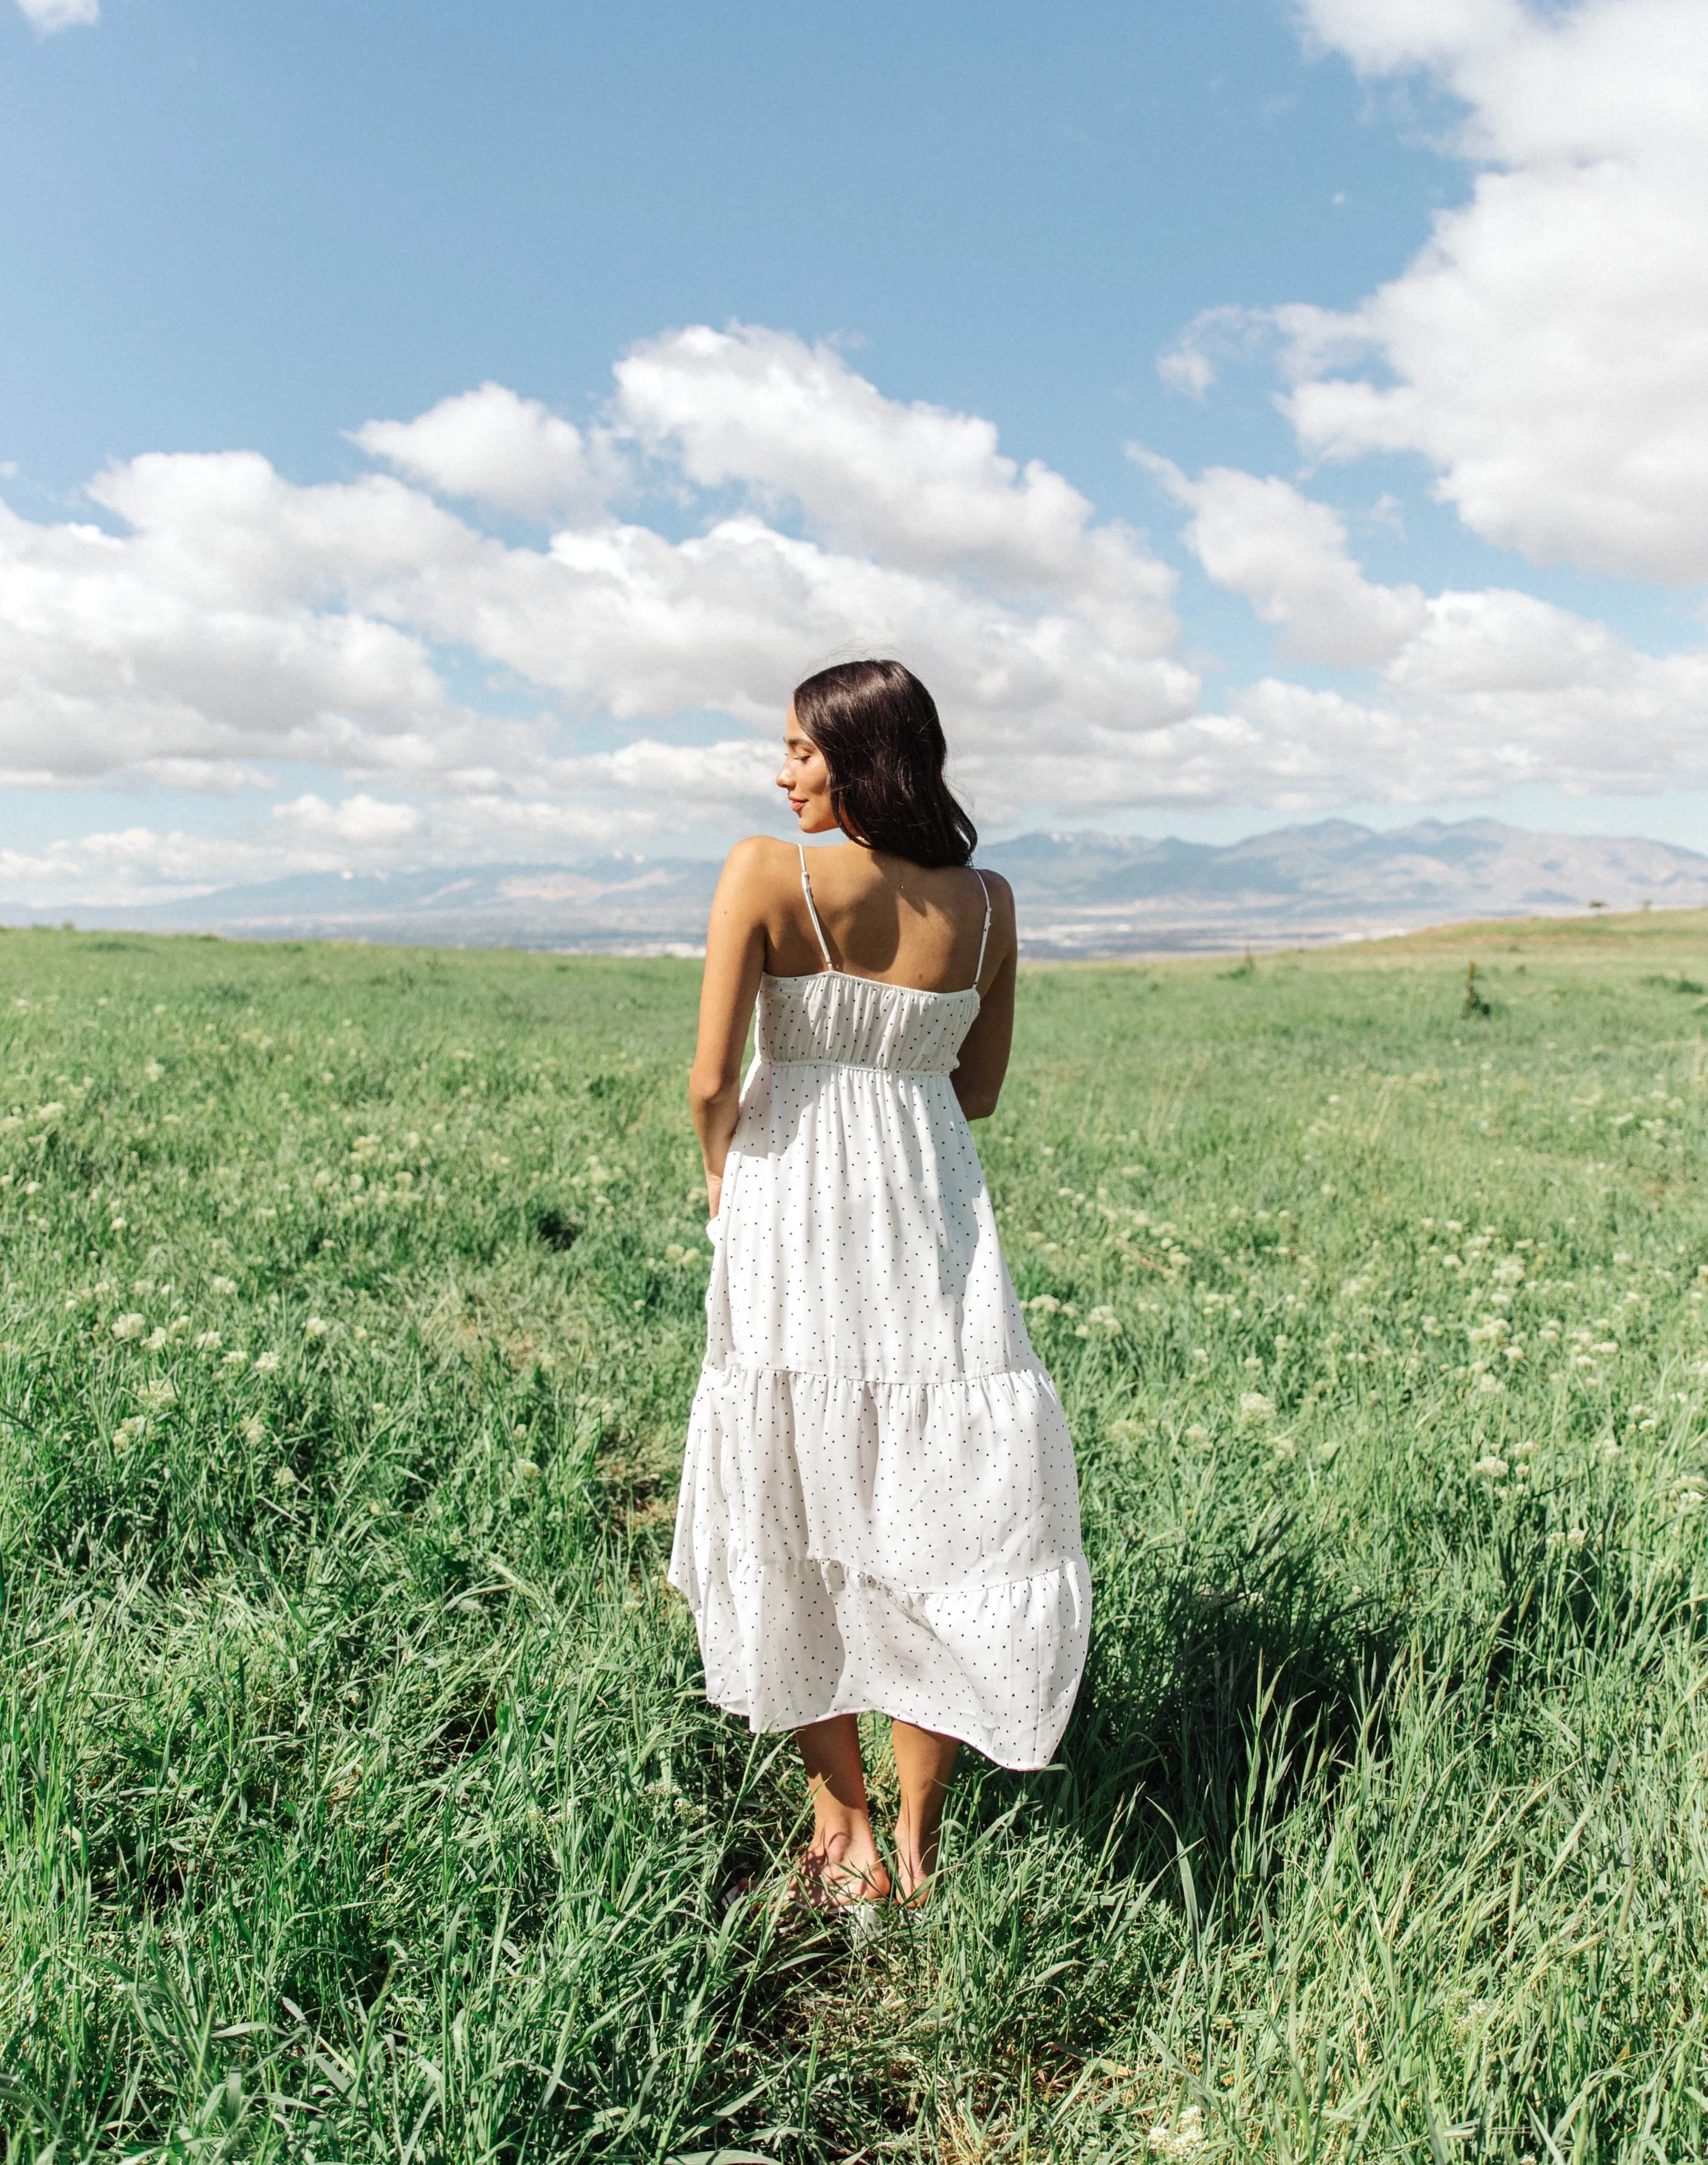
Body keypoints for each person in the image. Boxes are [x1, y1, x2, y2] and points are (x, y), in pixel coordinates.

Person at [669, 658, 1090, 1912]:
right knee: (942, 1505)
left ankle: (836, 1829)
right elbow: (979, 1090)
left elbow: (706, 1079)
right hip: (930, 1215)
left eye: (801, 749)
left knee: (793, 1486)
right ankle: (914, 1842)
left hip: (788, 1203)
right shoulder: (990, 901)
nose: (780, 769)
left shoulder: (762, 870)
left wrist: (719, 1177)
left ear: (862, 757)